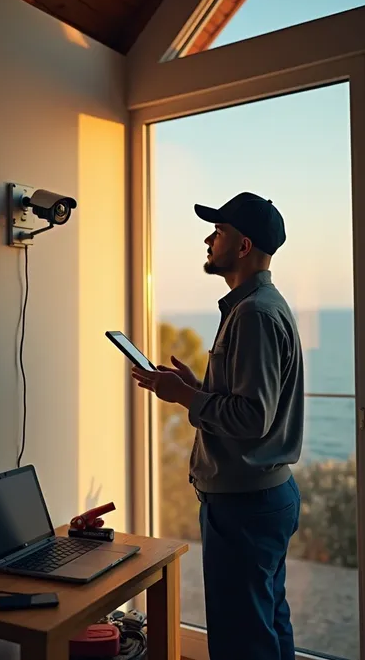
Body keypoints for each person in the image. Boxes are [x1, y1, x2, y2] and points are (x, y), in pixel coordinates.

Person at [132, 192, 304, 660]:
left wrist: (185, 396)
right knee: (267, 623)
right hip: (261, 499)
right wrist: (195, 385)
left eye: (219, 231)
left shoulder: (254, 315)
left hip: (246, 506)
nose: (209, 239)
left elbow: (252, 418)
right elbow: (246, 401)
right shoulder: (256, 307)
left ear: (244, 246)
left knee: (242, 642)